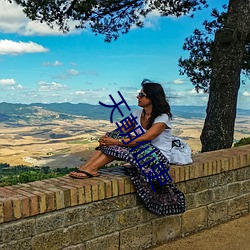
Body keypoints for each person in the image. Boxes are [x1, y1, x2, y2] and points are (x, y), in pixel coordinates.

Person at [69, 79, 185, 215]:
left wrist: (115, 141)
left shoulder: (162, 117)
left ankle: (92, 168)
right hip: (143, 153)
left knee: (118, 143)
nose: (138, 97)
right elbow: (122, 130)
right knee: (114, 137)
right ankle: (87, 167)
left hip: (157, 159)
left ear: (152, 98)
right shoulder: (138, 114)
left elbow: (145, 138)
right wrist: (107, 138)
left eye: (142, 95)